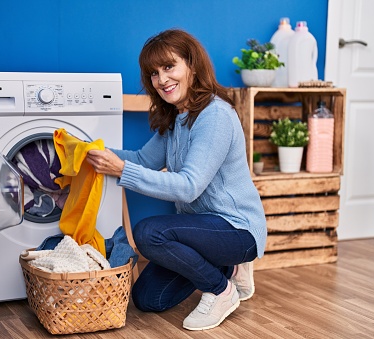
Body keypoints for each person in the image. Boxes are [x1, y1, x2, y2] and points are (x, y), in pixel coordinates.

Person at [86, 29, 267, 331]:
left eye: (169, 67)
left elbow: (189, 186)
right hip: (202, 231)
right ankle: (229, 267)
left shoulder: (215, 116)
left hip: (237, 229)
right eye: (154, 73)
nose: (162, 79)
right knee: (148, 299)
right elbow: (143, 160)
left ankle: (223, 291)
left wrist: (120, 170)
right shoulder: (175, 118)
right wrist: (91, 152)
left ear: (192, 66)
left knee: (148, 233)